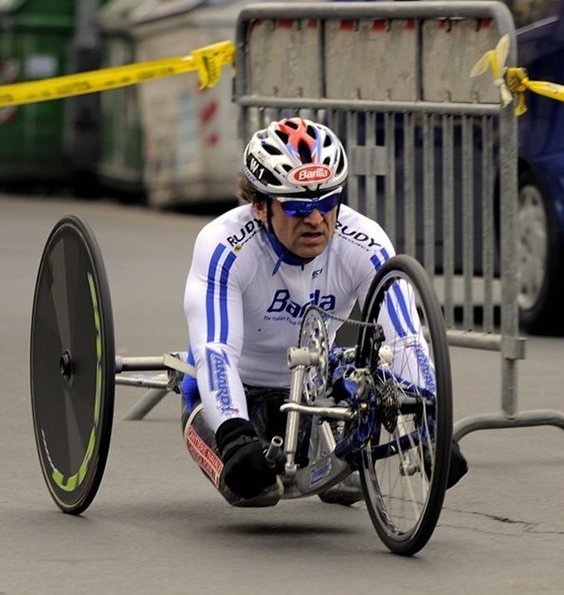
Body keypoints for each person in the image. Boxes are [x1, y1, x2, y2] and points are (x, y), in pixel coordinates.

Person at [180, 117, 467, 506]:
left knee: (346, 485)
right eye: (298, 207)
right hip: (237, 387)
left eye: (327, 202)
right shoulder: (224, 246)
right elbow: (216, 351)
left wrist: (432, 420)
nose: (316, 219)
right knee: (253, 488)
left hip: (314, 385)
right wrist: (233, 433)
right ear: (261, 207)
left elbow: (405, 337)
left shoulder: (363, 241)